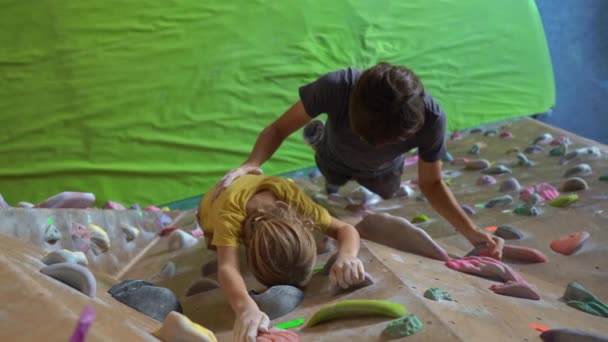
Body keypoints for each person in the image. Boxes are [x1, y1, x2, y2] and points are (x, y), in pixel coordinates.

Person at [213, 62, 504, 259]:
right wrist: (252, 162)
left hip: (384, 167)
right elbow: (278, 128)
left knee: (386, 192)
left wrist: (471, 231)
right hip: (336, 153)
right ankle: (319, 139)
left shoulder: (432, 121)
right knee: (333, 179)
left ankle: (342, 152)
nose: (369, 141)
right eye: (364, 134)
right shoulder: (336, 86)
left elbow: (432, 182)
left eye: (384, 140)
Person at [198, 174, 365, 342]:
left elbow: (345, 228)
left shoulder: (291, 196)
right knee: (219, 246)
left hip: (254, 182)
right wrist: (245, 308)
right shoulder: (229, 215)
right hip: (212, 204)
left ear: (306, 225)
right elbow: (227, 267)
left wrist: (347, 256)